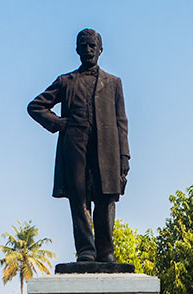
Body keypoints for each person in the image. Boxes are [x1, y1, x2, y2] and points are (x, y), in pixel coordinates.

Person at [28, 29, 129, 263]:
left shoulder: (113, 83)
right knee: (80, 199)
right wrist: (60, 124)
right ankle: (86, 250)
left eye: (92, 46)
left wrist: (124, 156)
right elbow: (35, 106)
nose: (88, 50)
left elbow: (121, 122)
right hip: (75, 150)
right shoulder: (66, 81)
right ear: (77, 50)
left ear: (101, 50)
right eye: (83, 46)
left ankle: (106, 251)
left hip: (108, 151)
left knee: (106, 200)